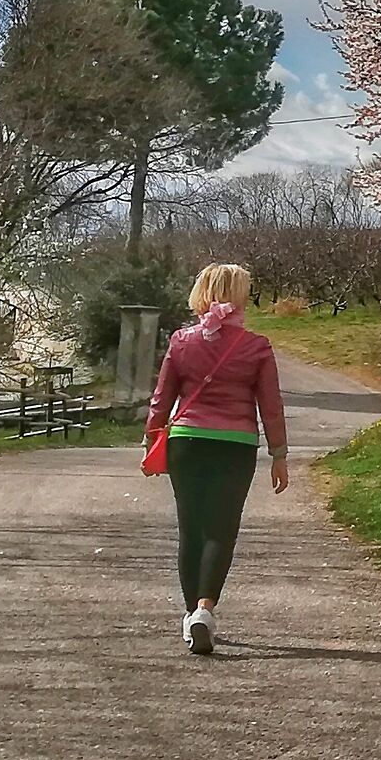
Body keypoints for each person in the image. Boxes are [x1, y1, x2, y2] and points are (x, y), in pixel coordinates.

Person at [145, 262, 288, 654]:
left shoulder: (181, 341)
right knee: (221, 529)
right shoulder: (257, 346)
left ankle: (190, 613)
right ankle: (205, 609)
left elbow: (161, 398)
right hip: (235, 445)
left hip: (187, 442)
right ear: (241, 296)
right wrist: (279, 454)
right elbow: (271, 406)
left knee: (190, 529)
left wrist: (152, 440)